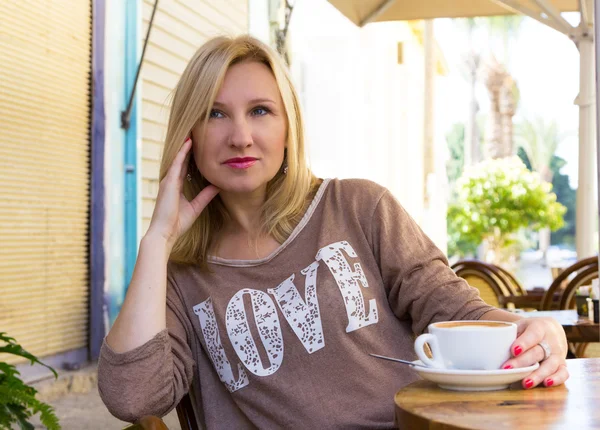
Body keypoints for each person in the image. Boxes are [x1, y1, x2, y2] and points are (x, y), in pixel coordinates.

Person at [98, 35, 569, 429]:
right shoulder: (178, 275)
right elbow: (133, 399)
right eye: (215, 114)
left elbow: (453, 309)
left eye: (260, 110)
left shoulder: (359, 207)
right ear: (189, 135)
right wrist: (157, 241)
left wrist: (535, 331)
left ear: (288, 126)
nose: (240, 136)